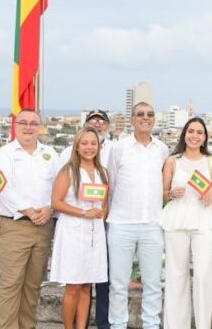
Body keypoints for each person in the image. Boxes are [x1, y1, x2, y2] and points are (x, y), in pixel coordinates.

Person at [0, 109, 63, 329]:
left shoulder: (50, 153)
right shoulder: (4, 153)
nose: (28, 127)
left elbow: (60, 187)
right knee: (11, 284)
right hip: (14, 226)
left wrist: (50, 208)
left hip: (43, 227)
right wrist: (28, 210)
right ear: (16, 125)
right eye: (24, 122)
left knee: (33, 285)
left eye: (33, 123)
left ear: (40, 127)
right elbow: (0, 186)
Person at [107, 102, 170, 329]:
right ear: (132, 119)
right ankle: (117, 325)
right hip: (121, 223)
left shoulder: (162, 150)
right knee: (118, 283)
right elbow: (111, 184)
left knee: (153, 283)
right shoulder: (118, 149)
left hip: (153, 223)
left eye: (150, 114)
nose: (145, 118)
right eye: (140, 114)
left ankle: (151, 325)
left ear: (155, 119)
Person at [160, 116, 212, 329]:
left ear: (204, 137)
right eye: (191, 131)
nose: (194, 136)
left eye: (199, 132)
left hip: (204, 221)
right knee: (176, 275)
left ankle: (204, 325)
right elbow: (164, 193)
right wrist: (172, 193)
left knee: (204, 275)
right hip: (177, 220)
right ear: (184, 134)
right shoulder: (172, 161)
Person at [49, 127, 110, 329]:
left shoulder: (103, 173)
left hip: (95, 234)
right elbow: (56, 202)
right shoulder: (68, 171)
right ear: (76, 146)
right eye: (84, 143)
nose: (89, 147)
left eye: (93, 143)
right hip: (73, 233)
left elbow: (104, 203)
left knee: (87, 286)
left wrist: (102, 211)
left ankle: (81, 327)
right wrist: (83, 212)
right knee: (73, 286)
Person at [84, 109, 114, 329]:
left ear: (108, 127)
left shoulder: (117, 150)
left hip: (109, 221)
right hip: (80, 223)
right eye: (92, 121)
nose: (97, 124)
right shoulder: (70, 152)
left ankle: (103, 323)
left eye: (101, 121)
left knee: (105, 278)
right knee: (80, 278)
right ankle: (79, 323)